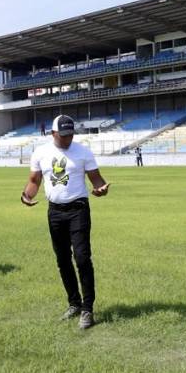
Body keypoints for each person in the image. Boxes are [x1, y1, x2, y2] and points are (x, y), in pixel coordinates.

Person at [21, 114, 110, 330]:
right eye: (63, 135)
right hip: (55, 212)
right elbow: (34, 180)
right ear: (53, 133)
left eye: (70, 135)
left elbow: (96, 179)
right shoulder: (41, 152)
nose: (67, 139)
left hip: (78, 209)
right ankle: (74, 303)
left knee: (82, 258)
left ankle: (88, 309)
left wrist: (100, 189)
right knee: (62, 260)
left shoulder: (83, 152)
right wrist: (26, 196)